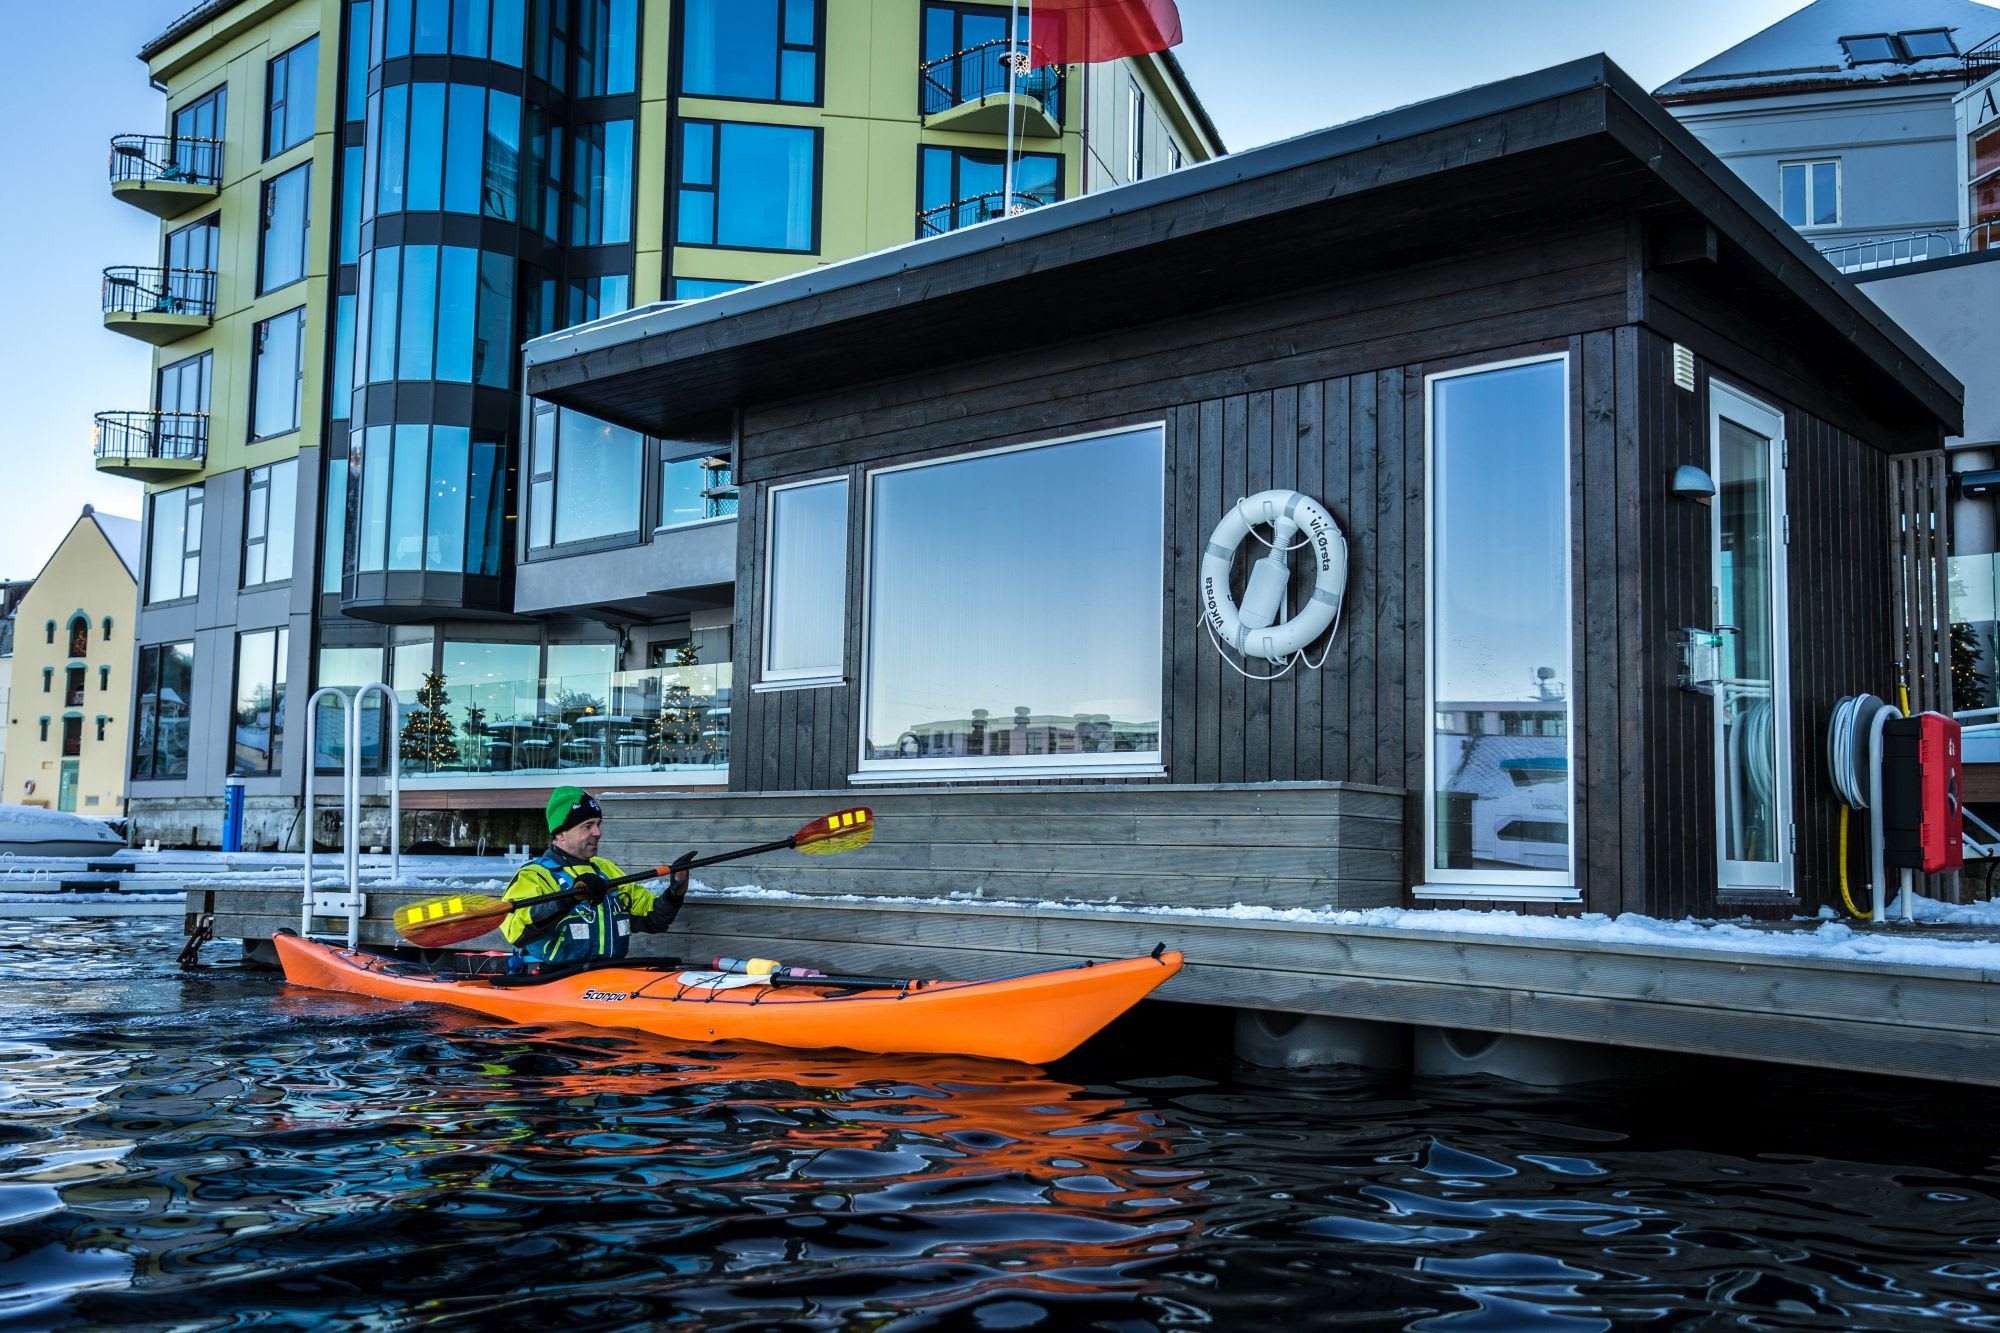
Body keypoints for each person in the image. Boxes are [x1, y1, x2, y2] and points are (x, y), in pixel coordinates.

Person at [501, 786, 694, 969]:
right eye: (588, 826)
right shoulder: (534, 875)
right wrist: (570, 897)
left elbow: (653, 918)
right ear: (560, 834)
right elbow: (516, 931)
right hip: (551, 980)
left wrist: (675, 892)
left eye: (598, 824)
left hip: (605, 979)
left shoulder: (605, 869)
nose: (598, 832)